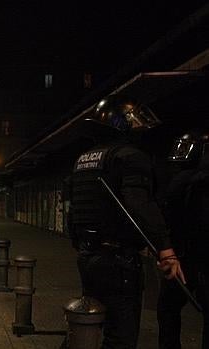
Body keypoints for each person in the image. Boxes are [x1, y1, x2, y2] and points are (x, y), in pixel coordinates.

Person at [69, 94, 184, 349]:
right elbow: (140, 204)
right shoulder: (130, 156)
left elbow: (74, 209)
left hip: (88, 256)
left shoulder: (83, 161)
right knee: (121, 335)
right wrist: (165, 249)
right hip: (118, 260)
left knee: (88, 323)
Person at [158, 129, 209, 349]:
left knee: (167, 311)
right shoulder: (193, 180)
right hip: (198, 257)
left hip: (180, 256)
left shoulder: (179, 181)